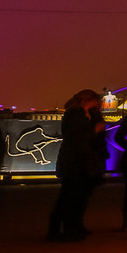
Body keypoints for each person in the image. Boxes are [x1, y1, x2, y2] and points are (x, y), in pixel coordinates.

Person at [47, 90, 103, 241]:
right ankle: (60, 230)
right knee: (68, 197)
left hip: (79, 160)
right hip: (74, 161)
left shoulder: (83, 112)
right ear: (88, 100)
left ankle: (70, 227)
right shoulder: (74, 114)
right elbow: (75, 136)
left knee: (74, 196)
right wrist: (94, 130)